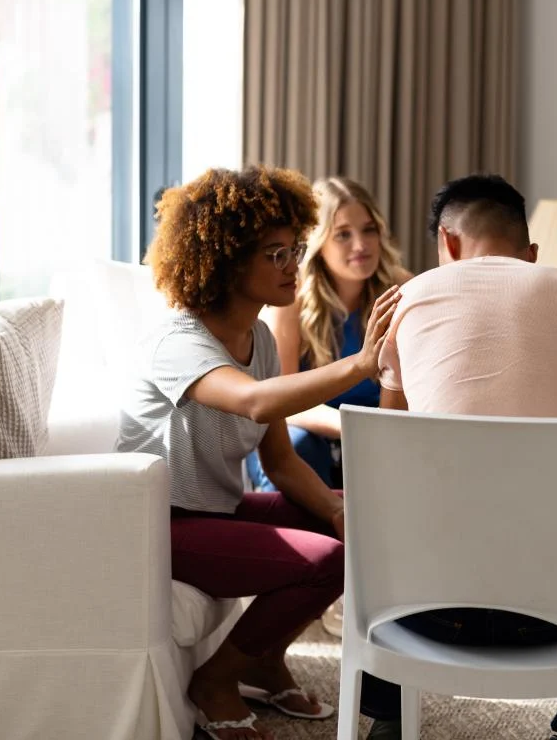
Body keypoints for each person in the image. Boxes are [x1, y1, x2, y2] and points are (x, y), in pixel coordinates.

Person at [359, 173, 557, 740]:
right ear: (531, 253)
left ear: (448, 243)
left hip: (425, 613)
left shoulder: (406, 301)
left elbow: (386, 452)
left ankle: (388, 712)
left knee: (382, 501)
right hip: (555, 620)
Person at [116, 166, 400, 740]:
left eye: (293, 249)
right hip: (159, 522)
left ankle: (264, 662)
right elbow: (250, 401)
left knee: (363, 517)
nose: (293, 264)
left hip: (216, 510)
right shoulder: (179, 342)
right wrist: (360, 364)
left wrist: (336, 510)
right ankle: (215, 681)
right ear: (224, 261)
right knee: (324, 562)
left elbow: (280, 462)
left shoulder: (260, 338)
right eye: (274, 254)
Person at [247, 177, 411, 492]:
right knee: (300, 445)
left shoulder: (401, 288)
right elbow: (282, 400)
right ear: (319, 242)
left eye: (369, 230)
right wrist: (350, 428)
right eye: (343, 235)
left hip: (378, 436)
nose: (361, 245)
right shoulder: (290, 302)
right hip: (308, 431)